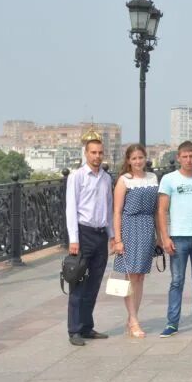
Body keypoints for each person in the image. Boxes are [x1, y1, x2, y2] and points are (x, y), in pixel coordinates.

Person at [158, 141, 192, 337]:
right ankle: (172, 323)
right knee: (177, 281)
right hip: (178, 237)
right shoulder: (169, 179)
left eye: (191, 156)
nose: (188, 160)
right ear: (178, 158)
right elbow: (162, 210)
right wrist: (165, 237)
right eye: (184, 156)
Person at [65, 136, 114, 346]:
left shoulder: (106, 178)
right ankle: (74, 330)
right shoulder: (76, 176)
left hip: (100, 234)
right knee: (79, 283)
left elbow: (109, 209)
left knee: (94, 283)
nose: (97, 156)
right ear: (86, 153)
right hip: (83, 234)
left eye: (100, 153)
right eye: (93, 152)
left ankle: (87, 326)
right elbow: (71, 208)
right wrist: (73, 238)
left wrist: (112, 235)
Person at [111, 143, 159, 338]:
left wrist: (159, 235)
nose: (138, 161)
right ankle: (133, 319)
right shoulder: (124, 180)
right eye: (134, 158)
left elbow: (157, 210)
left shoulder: (153, 178)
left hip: (147, 226)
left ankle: (133, 317)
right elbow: (117, 211)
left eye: (141, 157)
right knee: (130, 275)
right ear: (128, 161)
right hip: (130, 227)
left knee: (140, 276)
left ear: (145, 158)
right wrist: (118, 239)